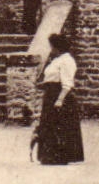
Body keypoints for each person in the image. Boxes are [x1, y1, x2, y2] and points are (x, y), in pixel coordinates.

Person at [35, 33, 84, 165]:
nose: (51, 49)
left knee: (59, 126)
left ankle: (60, 156)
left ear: (58, 47)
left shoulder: (67, 61)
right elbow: (52, 77)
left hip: (59, 95)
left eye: (52, 47)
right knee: (49, 124)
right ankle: (49, 155)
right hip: (51, 94)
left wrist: (60, 100)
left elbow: (67, 83)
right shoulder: (56, 60)